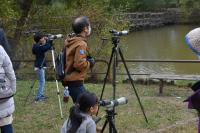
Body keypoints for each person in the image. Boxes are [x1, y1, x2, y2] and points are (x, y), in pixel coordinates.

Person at [62, 16, 95, 103]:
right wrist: (90, 63)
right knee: (85, 107)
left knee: (79, 107)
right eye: (89, 26)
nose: (90, 28)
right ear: (85, 29)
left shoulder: (69, 40)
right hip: (75, 81)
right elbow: (79, 64)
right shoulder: (81, 44)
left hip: (69, 80)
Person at [0, 29, 16, 133]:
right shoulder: (1, 49)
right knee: (6, 124)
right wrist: (12, 89)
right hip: (4, 94)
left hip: (3, 95)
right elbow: (10, 71)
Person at [32, 32, 52, 102]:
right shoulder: (39, 47)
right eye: (42, 37)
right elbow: (47, 47)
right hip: (39, 66)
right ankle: (39, 97)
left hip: (38, 65)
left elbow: (43, 48)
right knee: (42, 82)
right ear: (40, 39)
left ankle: (40, 95)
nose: (44, 38)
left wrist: (45, 41)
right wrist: (49, 41)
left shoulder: (35, 46)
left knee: (41, 81)